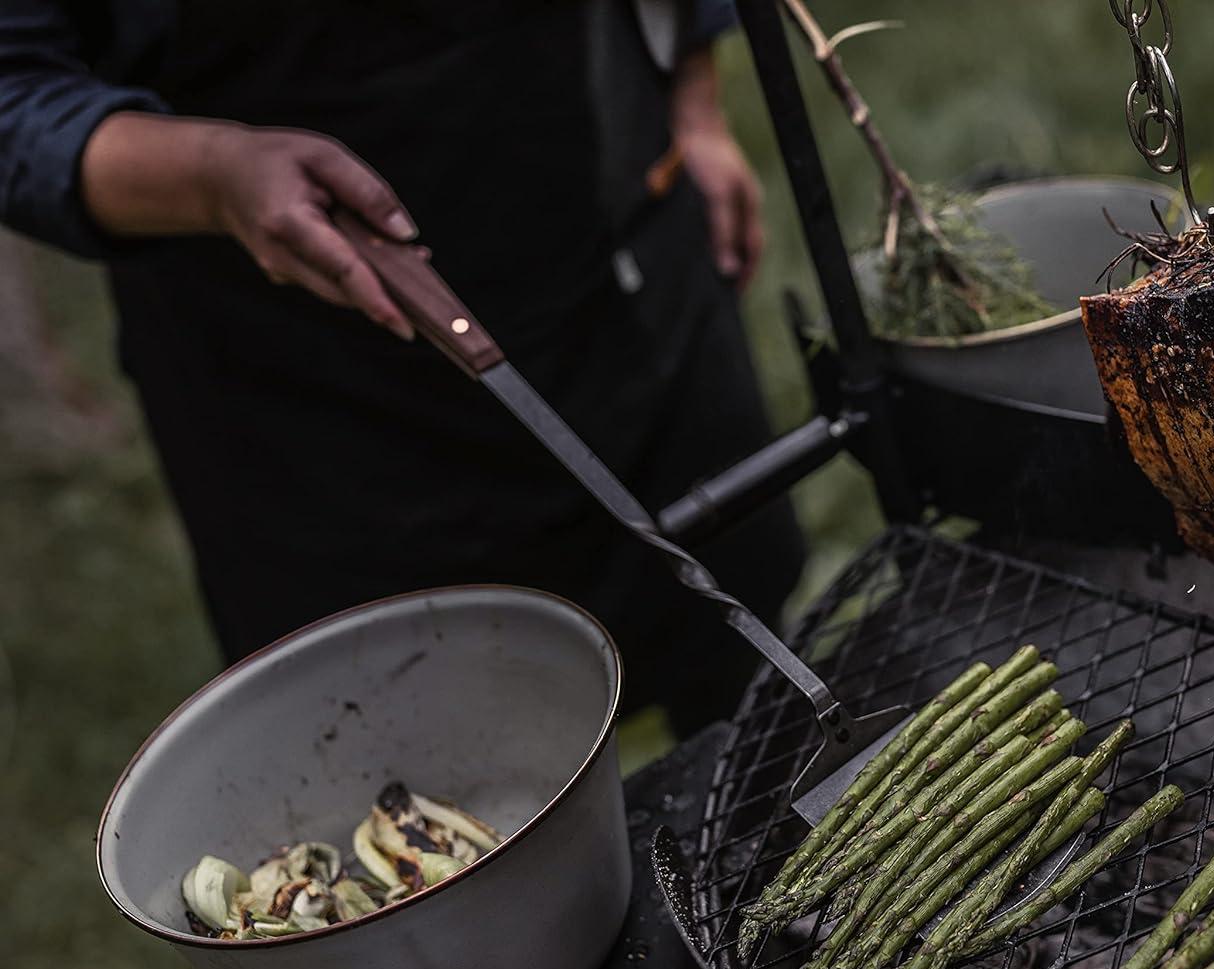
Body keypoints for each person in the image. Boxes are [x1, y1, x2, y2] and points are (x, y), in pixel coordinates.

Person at [0, 0, 805, 734]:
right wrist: (212, 176)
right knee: (411, 785)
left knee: (749, 679)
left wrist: (694, 102)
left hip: (623, 273)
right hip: (309, 404)